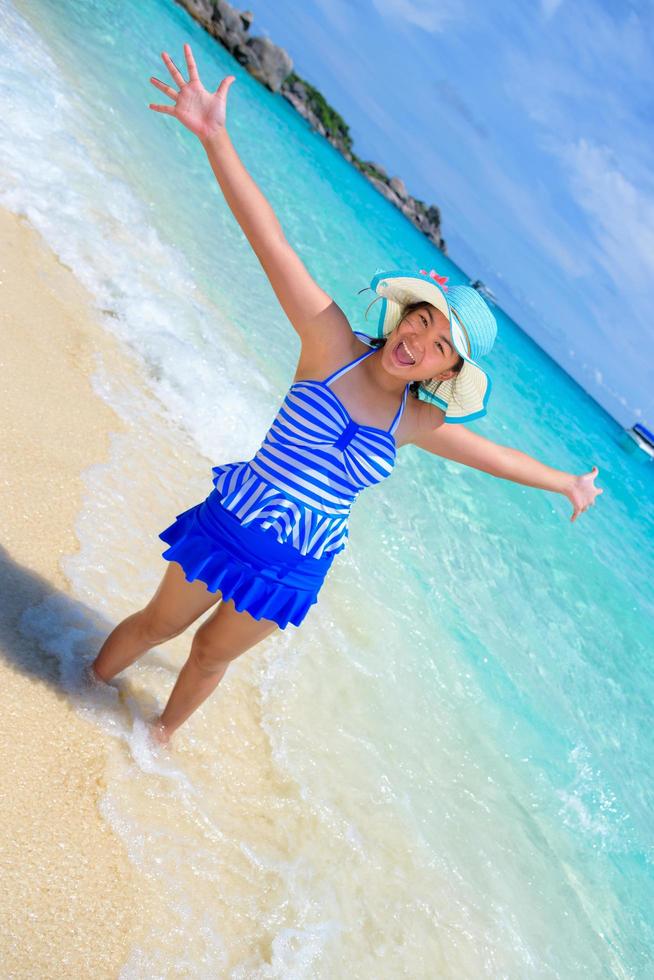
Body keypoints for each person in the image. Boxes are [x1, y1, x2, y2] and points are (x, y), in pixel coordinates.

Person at [89, 45, 602, 747]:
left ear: (443, 370)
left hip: (300, 565)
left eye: (439, 344)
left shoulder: (412, 420)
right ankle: (74, 689)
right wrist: (215, 139)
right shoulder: (329, 343)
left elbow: (494, 457)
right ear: (404, 316)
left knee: (209, 659)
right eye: (421, 320)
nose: (420, 340)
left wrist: (568, 482)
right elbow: (271, 239)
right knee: (160, 626)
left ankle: (153, 747)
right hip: (235, 521)